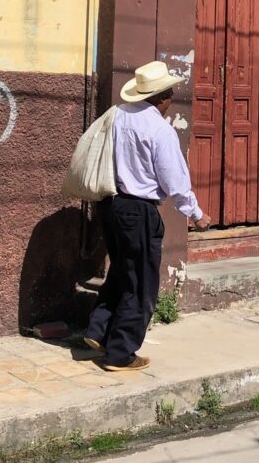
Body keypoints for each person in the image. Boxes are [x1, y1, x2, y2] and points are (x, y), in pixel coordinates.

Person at [84, 61, 211, 371]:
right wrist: (196, 214)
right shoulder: (159, 130)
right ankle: (120, 353)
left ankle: (99, 331)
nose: (170, 101)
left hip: (111, 204)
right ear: (162, 98)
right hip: (139, 211)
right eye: (169, 95)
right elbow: (174, 182)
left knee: (122, 271)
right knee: (140, 283)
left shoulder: (118, 117)